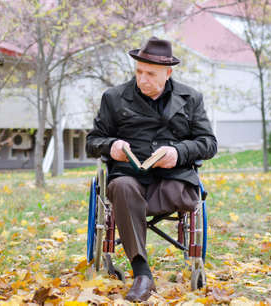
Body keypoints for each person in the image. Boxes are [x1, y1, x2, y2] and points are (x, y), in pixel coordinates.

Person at [86, 37, 217, 302]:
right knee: (121, 188)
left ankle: (132, 213)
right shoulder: (113, 97)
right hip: (129, 178)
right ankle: (142, 273)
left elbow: (209, 143)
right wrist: (111, 146)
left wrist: (179, 152)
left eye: (150, 74)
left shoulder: (190, 98)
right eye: (138, 72)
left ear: (168, 73)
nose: (142, 79)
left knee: (182, 194)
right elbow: (93, 141)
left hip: (173, 180)